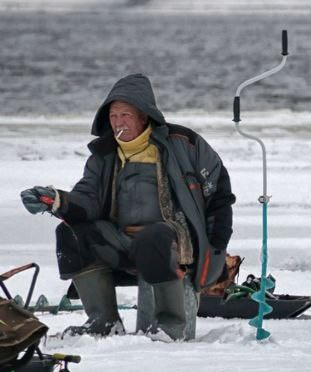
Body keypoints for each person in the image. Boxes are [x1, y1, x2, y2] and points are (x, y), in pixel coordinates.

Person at [19, 73, 234, 340]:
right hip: (121, 241)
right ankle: (104, 322)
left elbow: (219, 193)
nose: (118, 122)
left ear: (144, 116)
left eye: (125, 115)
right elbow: (87, 199)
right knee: (70, 233)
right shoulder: (104, 155)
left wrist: (217, 243)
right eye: (113, 116)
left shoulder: (183, 143)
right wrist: (55, 200)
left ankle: (170, 326)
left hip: (174, 241)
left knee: (152, 238)